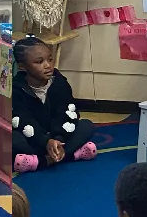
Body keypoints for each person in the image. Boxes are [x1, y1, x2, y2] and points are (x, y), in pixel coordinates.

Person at [9, 36, 96, 173]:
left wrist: (57, 139)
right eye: (39, 62)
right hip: (35, 138)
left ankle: (41, 161)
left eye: (50, 59)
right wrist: (45, 142)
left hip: (58, 135)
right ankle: (70, 155)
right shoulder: (16, 88)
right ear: (22, 66)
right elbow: (22, 120)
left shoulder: (59, 83)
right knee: (12, 138)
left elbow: (67, 112)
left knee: (86, 126)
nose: (48, 65)